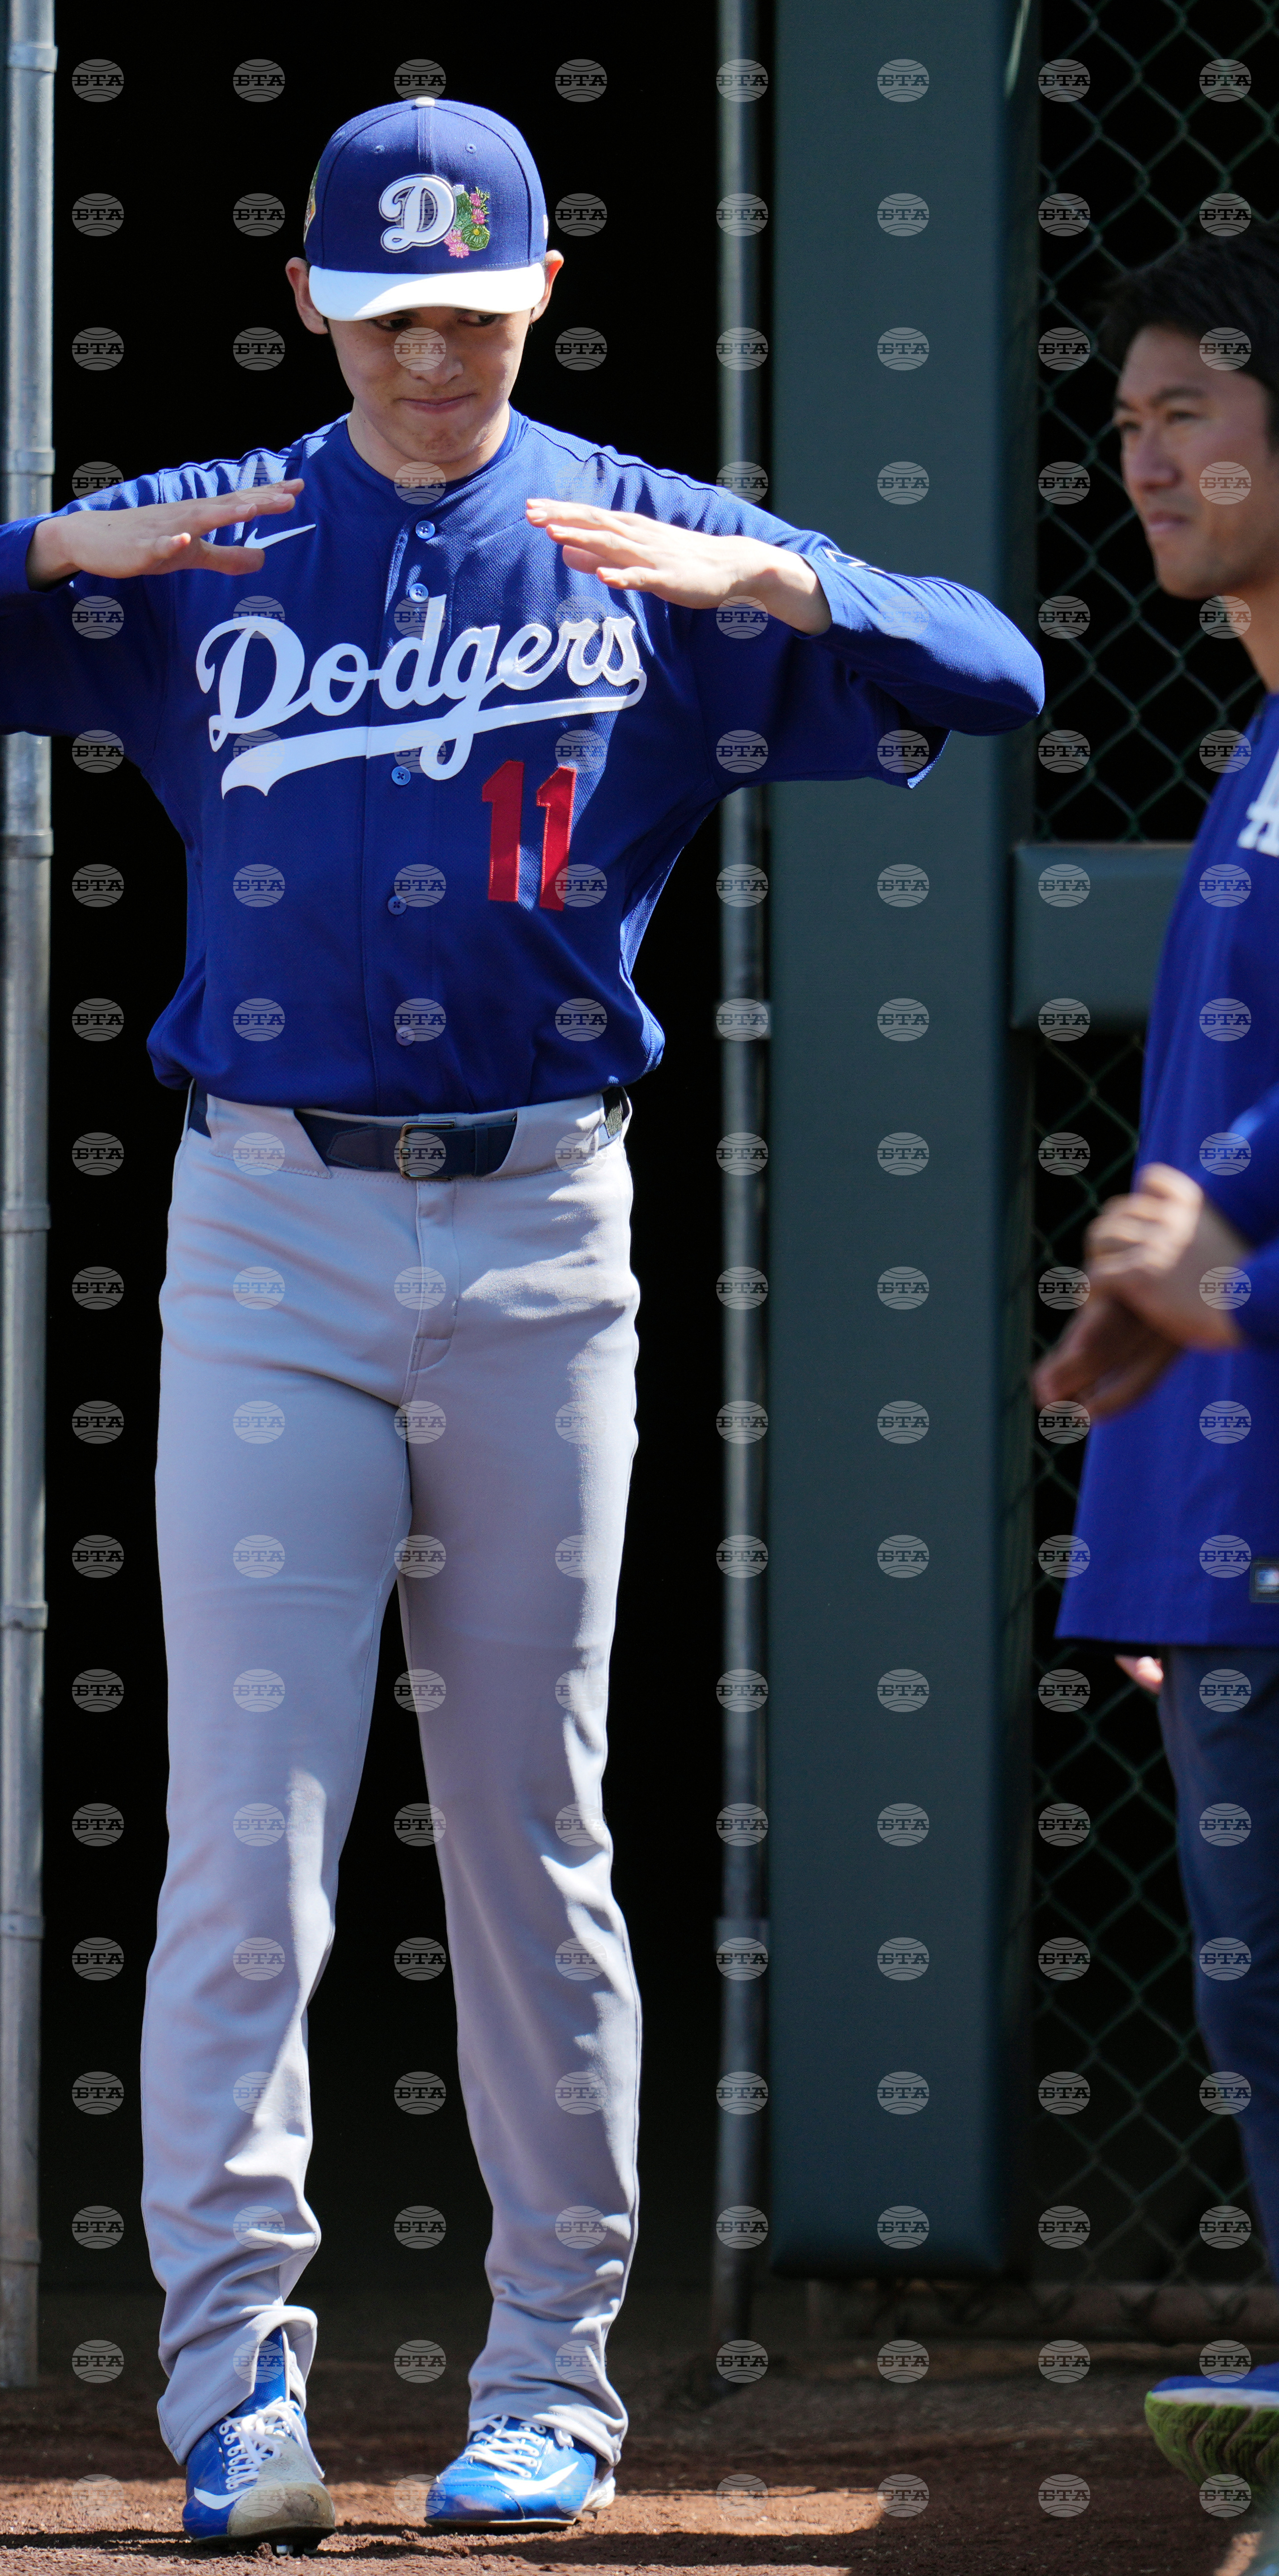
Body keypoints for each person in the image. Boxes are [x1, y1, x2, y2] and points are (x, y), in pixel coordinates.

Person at [0, 94, 1041, 2547]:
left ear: (543, 293)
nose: (432, 359)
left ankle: (552, 2378)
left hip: (543, 1233)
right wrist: (50, 543)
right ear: (314, 309)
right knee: (248, 1838)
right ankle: (231, 2394)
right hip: (269, 1230)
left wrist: (790, 581)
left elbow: (993, 672)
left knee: (529, 1822)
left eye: (472, 314)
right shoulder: (214, 533)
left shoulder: (651, 537)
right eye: (389, 319)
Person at [1033, 221, 1279, 2562]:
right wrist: (1164, 1514)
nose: (1143, 462)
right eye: (1124, 425)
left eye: (1188, 410)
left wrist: (1224, 1269)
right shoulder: (1264, 742)